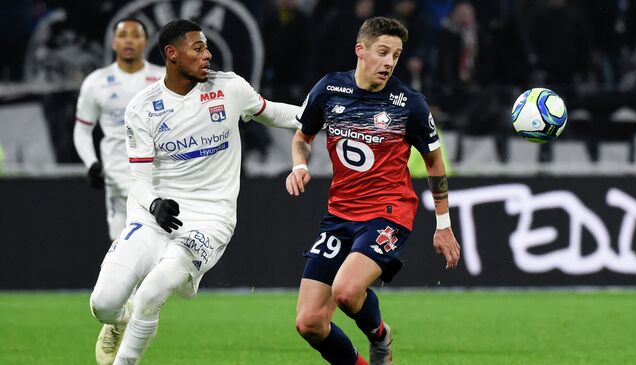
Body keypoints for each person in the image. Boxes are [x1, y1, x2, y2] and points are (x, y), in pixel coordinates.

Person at [88, 19, 299, 364]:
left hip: (210, 217)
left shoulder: (229, 88)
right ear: (172, 54)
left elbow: (274, 113)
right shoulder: (142, 108)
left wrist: (325, 115)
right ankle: (119, 320)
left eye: (206, 47)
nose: (208, 54)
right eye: (197, 48)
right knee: (104, 303)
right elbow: (139, 179)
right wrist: (154, 203)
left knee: (151, 293)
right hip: (154, 216)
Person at [286, 17, 461, 365]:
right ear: (360, 51)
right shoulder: (329, 89)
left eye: (395, 55)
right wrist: (299, 165)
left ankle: (379, 335)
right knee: (309, 324)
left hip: (388, 214)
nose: (389, 62)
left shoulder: (408, 104)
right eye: (383, 52)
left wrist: (444, 225)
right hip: (339, 216)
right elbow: (302, 139)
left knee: (348, 291)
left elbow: (434, 164)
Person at [74, 18, 165, 241]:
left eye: (136, 35)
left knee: (163, 251)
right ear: (113, 43)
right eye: (123, 35)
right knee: (123, 249)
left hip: (161, 179)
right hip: (118, 178)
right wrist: (91, 163)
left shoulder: (165, 78)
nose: (129, 41)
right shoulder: (96, 82)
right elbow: (83, 129)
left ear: (146, 42)